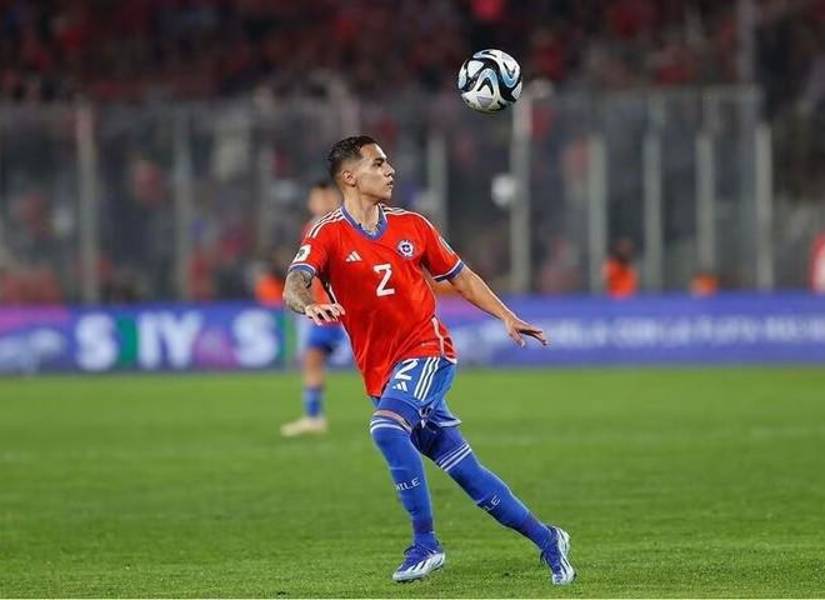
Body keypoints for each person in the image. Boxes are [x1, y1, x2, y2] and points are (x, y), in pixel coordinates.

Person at [283, 136, 575, 585]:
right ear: (350, 176)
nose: (390, 170)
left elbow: (462, 277)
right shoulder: (326, 233)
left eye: (388, 162)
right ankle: (548, 538)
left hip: (427, 350)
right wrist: (310, 305)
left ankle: (426, 544)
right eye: (378, 163)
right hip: (381, 370)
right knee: (465, 470)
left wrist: (506, 316)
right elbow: (294, 284)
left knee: (386, 428)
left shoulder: (413, 226)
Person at [280, 181, 346, 437]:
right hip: (324, 308)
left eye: (328, 198)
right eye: (319, 198)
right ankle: (314, 416)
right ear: (311, 203)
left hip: (339, 307)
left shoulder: (343, 226)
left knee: (314, 359)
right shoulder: (311, 227)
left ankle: (314, 417)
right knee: (312, 359)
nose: (324, 203)